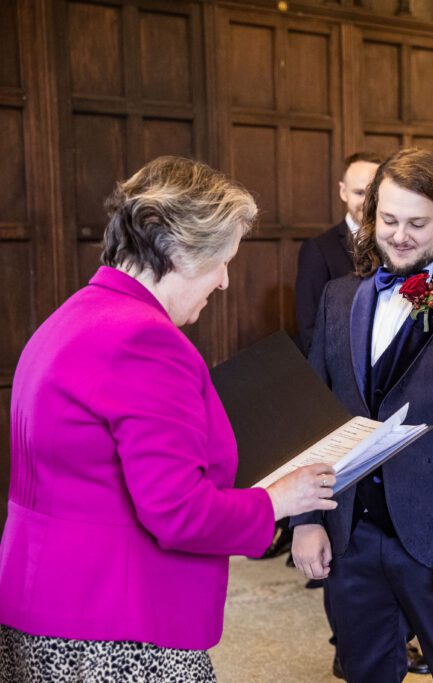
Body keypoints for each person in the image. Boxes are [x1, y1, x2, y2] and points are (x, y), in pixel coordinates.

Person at [0, 157, 337, 681]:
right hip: (117, 624)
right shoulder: (145, 339)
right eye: (223, 260)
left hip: (46, 602)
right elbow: (178, 511)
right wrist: (279, 501)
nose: (225, 282)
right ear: (178, 250)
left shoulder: (73, 316)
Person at [289, 148, 433, 683]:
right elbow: (313, 417)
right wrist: (306, 521)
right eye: (389, 220)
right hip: (351, 535)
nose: (400, 236)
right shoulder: (338, 297)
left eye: (418, 223)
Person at [295, 151, 383, 356]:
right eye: (359, 193)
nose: (368, 201)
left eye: (374, 193)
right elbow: (310, 329)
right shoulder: (318, 250)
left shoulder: (399, 243)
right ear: (343, 192)